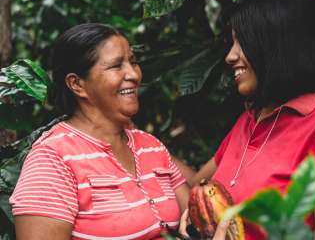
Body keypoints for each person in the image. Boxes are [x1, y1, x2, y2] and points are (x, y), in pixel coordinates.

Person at [177, 0, 315, 240]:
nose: (230, 56)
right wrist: (131, 141)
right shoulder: (250, 119)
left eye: (241, 42)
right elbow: (196, 187)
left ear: (276, 45)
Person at [9, 23, 189, 240]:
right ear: (77, 84)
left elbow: (197, 215)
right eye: (116, 66)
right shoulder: (52, 158)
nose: (133, 74)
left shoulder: (151, 146)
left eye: (133, 62)